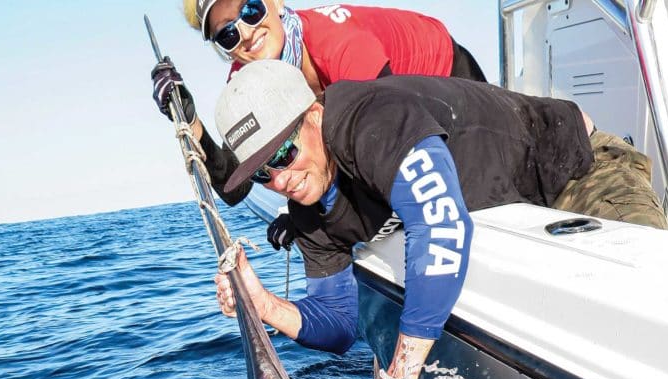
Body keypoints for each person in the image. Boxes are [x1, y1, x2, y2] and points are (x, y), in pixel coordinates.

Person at [210, 61, 668, 379]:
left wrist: (400, 375)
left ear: (314, 114)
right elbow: (340, 323)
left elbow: (440, 223)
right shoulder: (309, 208)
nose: (280, 178)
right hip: (513, 215)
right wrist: (264, 304)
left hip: (576, 168)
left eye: (283, 154)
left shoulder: (369, 119)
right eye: (262, 173)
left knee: (657, 302)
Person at [151, 0, 487, 246]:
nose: (247, 33)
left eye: (251, 10)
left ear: (276, 4)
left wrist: (308, 220)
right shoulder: (247, 79)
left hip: (445, 73)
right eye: (227, 34)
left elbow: (388, 147)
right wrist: (189, 118)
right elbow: (234, 188)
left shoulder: (338, 45)